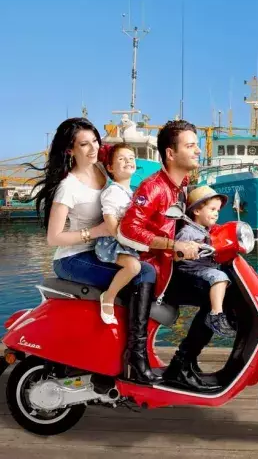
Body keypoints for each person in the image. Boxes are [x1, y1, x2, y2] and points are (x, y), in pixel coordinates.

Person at [32, 117, 158, 384]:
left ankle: (123, 352)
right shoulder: (69, 186)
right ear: (70, 150)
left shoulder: (103, 168)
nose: (92, 149)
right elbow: (53, 238)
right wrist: (96, 231)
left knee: (151, 269)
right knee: (141, 273)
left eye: (95, 142)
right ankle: (135, 357)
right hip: (74, 258)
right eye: (84, 144)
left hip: (105, 250)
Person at [119, 119, 234, 392]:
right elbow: (128, 228)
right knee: (218, 296)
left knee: (229, 293)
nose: (198, 151)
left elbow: (188, 224)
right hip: (155, 269)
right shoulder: (153, 187)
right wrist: (171, 245)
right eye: (191, 145)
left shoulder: (181, 186)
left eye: (197, 145)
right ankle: (145, 358)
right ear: (171, 154)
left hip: (175, 266)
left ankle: (184, 362)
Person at [174, 186, 235, 337]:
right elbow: (175, 256)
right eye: (212, 209)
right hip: (191, 270)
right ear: (196, 211)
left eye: (218, 211)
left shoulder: (208, 231)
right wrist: (188, 251)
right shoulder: (188, 232)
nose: (216, 213)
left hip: (205, 268)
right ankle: (216, 315)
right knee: (219, 277)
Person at [94, 143, 142, 325]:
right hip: (114, 242)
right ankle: (108, 297)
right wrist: (121, 238)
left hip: (130, 240)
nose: (127, 161)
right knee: (133, 267)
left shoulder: (132, 192)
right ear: (110, 167)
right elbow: (110, 218)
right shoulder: (113, 191)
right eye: (121, 159)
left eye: (131, 158)